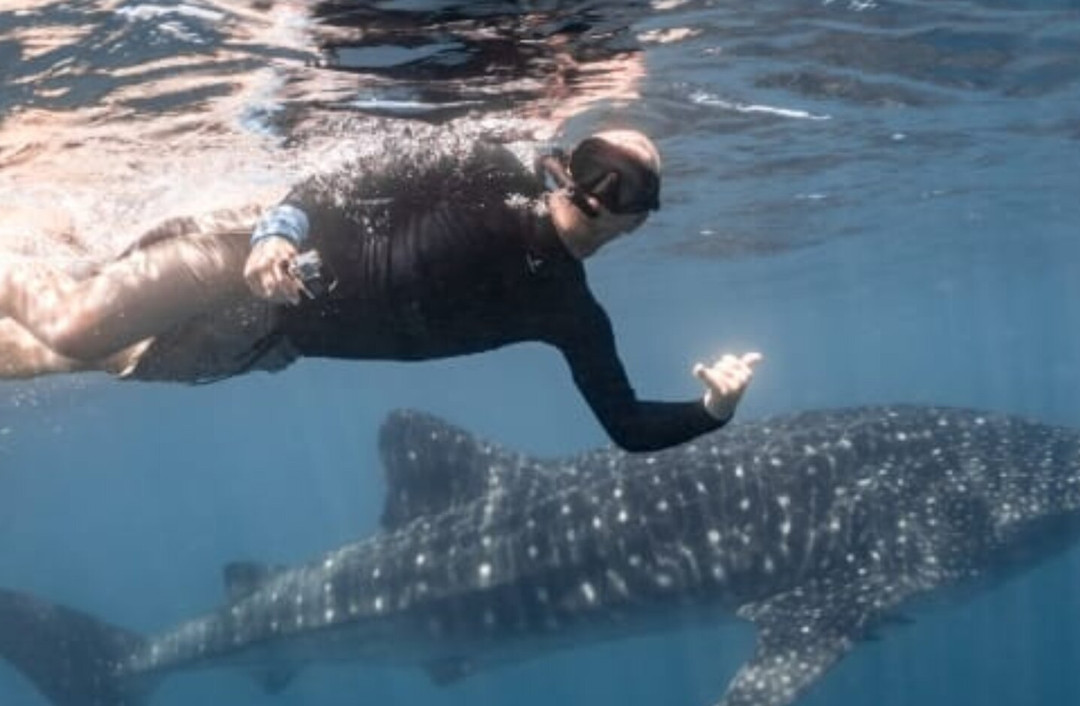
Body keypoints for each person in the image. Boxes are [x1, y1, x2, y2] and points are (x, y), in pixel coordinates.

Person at [0, 126, 762, 452]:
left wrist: (712, 411)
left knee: (47, 357)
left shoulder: (569, 312)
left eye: (626, 189)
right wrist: (279, 230)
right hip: (248, 252)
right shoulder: (491, 166)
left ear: (637, 222)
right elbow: (347, 177)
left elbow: (626, 426)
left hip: (266, 340)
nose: (600, 191)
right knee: (72, 323)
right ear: (568, 161)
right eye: (595, 163)